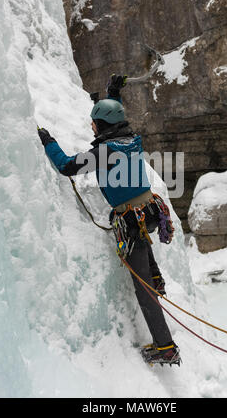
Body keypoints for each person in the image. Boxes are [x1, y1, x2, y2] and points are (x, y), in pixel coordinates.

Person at [38, 75, 181, 366]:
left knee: (143, 289)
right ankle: (155, 275)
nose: (91, 125)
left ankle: (165, 347)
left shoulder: (104, 153)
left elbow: (66, 166)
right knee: (143, 245)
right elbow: (114, 116)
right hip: (149, 211)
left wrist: (48, 142)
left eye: (94, 122)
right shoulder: (131, 140)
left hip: (131, 221)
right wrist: (113, 93)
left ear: (101, 126)